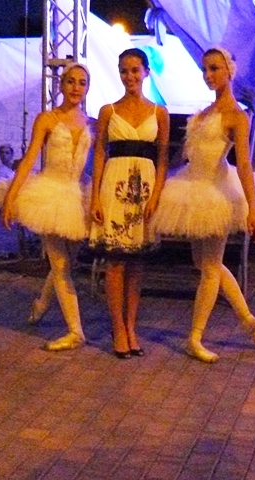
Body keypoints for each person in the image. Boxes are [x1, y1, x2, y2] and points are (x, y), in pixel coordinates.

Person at [146, 47, 255, 363]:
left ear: (229, 71)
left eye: (214, 68)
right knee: (204, 264)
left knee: (210, 267)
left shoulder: (236, 116)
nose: (208, 74)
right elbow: (187, 154)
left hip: (217, 190)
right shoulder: (204, 112)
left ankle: (195, 337)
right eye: (205, 69)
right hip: (192, 185)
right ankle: (248, 320)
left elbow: (244, 164)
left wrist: (253, 209)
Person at [0, 63, 93, 351]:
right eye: (71, 81)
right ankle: (75, 331)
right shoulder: (47, 119)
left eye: (82, 82)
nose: (76, 87)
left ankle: (41, 304)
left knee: (67, 263)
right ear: (61, 85)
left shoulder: (91, 122)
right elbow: (29, 159)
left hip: (78, 194)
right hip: (50, 193)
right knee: (60, 264)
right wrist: (11, 197)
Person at [89, 48, 170, 359]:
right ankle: (118, 327)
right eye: (124, 70)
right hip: (114, 185)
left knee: (136, 263)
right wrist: (95, 196)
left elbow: (163, 158)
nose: (129, 76)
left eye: (135, 70)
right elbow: (99, 154)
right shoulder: (108, 111)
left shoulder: (159, 113)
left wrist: (156, 195)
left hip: (144, 188)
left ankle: (131, 326)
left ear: (146, 72)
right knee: (115, 261)